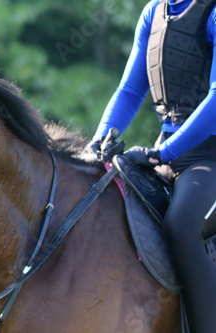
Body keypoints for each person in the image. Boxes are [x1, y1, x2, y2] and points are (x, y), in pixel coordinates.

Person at [87, 0, 216, 331]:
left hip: (208, 157)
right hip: (167, 153)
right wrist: (98, 142)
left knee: (183, 226)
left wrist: (164, 153)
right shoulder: (153, 12)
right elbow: (130, 90)